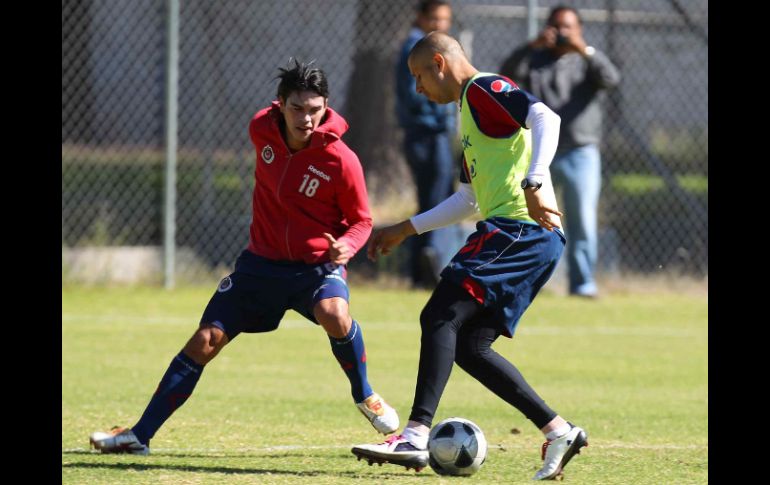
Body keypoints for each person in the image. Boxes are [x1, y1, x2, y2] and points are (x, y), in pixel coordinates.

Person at [89, 60, 399, 455]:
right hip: (261, 266)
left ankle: (365, 394)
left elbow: (362, 221)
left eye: (315, 109)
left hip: (315, 268)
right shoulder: (261, 130)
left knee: (335, 314)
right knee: (205, 341)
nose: (307, 119)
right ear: (281, 105)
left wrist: (347, 246)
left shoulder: (341, 160)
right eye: (297, 108)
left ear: (326, 107)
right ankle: (139, 436)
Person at [351, 32, 588, 481]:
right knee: (469, 346)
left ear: (439, 63)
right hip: (520, 234)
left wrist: (535, 182)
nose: (417, 88)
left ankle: (416, 434)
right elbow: (468, 201)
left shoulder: (483, 89)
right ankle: (559, 430)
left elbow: (546, 117)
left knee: (440, 313)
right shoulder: (468, 112)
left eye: (418, 76)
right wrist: (405, 228)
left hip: (522, 230)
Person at [500, 5, 621, 298]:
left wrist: (586, 51)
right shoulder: (536, 59)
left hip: (582, 150)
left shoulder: (586, 61)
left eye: (568, 27)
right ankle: (529, 283)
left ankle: (582, 285)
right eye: (557, 26)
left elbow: (611, 79)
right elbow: (504, 75)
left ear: (579, 29)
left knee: (581, 219)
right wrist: (532, 46)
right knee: (531, 217)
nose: (563, 33)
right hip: (542, 151)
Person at [396, 0, 457, 288]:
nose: (440, 25)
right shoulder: (417, 48)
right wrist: (441, 118)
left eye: (444, 19)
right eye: (434, 19)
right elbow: (415, 95)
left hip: (432, 134)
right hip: (427, 135)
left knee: (432, 200)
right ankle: (431, 264)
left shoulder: (428, 47)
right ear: (420, 17)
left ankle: (421, 272)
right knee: (436, 202)